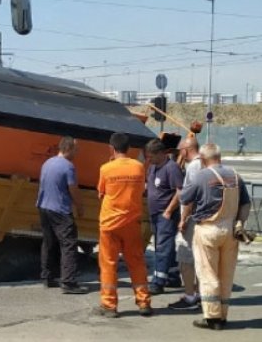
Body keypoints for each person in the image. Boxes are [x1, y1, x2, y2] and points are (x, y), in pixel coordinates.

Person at [180, 143, 251, 330]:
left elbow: (185, 198)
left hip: (208, 230)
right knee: (226, 275)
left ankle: (212, 317)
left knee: (208, 274)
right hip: (231, 231)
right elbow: (245, 204)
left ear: (203, 159)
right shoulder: (235, 176)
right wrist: (240, 224)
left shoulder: (201, 176)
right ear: (219, 157)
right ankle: (224, 315)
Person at [94, 132, 152, 317]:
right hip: (132, 222)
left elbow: (101, 193)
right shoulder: (139, 168)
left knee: (109, 264)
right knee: (136, 262)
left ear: (111, 148)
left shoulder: (106, 169)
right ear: (129, 148)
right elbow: (141, 189)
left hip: (110, 223)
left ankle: (109, 305)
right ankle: (144, 302)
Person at [37, 136, 88, 294]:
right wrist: (80, 207)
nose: (77, 152)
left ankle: (47, 277)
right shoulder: (68, 167)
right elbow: (73, 189)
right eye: (76, 149)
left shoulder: (48, 162)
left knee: (49, 242)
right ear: (69, 149)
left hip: (44, 206)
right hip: (60, 209)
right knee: (69, 244)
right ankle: (68, 282)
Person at [145, 138, 184, 294]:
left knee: (162, 248)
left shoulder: (172, 168)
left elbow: (180, 192)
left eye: (152, 156)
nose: (149, 159)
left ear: (161, 153)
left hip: (166, 215)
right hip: (155, 214)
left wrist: (168, 211)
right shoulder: (153, 168)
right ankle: (173, 277)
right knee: (166, 247)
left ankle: (158, 281)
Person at [169, 136, 202, 310]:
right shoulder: (204, 164)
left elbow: (191, 196)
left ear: (186, 150)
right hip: (201, 219)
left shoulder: (194, 167)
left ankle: (190, 296)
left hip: (192, 219)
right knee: (198, 259)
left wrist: (183, 219)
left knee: (185, 258)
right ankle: (197, 293)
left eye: (181, 150)